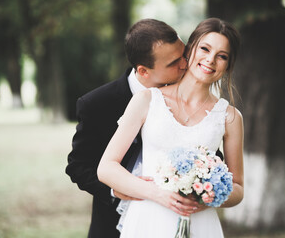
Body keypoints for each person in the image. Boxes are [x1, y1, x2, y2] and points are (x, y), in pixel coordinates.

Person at [97, 17, 244, 237]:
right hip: (148, 219)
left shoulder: (230, 117)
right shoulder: (146, 100)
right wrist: (156, 193)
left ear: (228, 64)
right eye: (205, 48)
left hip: (200, 224)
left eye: (222, 56)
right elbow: (106, 167)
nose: (210, 60)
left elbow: (238, 188)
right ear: (189, 48)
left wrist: (208, 195)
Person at [66, 19, 204, 238]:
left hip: (176, 220)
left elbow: (208, 153)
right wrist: (114, 190)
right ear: (143, 70)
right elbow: (78, 166)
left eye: (184, 55)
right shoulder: (96, 103)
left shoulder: (191, 97)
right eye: (173, 62)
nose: (185, 65)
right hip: (113, 223)